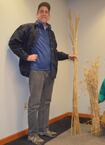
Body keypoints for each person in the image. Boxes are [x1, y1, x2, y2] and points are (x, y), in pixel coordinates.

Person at [9, 2, 76, 145]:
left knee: (46, 102)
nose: (44, 13)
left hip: (50, 72)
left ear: (49, 15)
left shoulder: (50, 33)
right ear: (37, 14)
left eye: (46, 11)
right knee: (34, 104)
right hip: (36, 71)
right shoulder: (28, 28)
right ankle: (32, 134)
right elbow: (13, 43)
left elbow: (54, 53)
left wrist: (67, 56)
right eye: (41, 11)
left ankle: (43, 129)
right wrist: (26, 56)